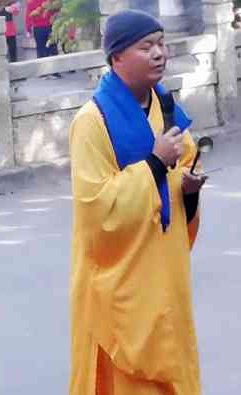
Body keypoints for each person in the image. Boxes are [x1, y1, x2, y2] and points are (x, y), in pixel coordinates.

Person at [69, 10, 206, 395]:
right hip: (120, 282)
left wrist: (189, 190)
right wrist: (154, 163)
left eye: (162, 44)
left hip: (165, 272)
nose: (159, 53)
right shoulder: (91, 122)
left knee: (173, 366)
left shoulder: (166, 109)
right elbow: (97, 211)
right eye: (146, 47)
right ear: (117, 58)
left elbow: (180, 172)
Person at [25, 0, 60, 77]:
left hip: (50, 27)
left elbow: (57, 11)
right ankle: (43, 72)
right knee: (41, 49)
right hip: (38, 28)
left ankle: (55, 71)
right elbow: (28, 17)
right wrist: (28, 29)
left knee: (53, 48)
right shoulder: (31, 3)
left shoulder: (50, 2)